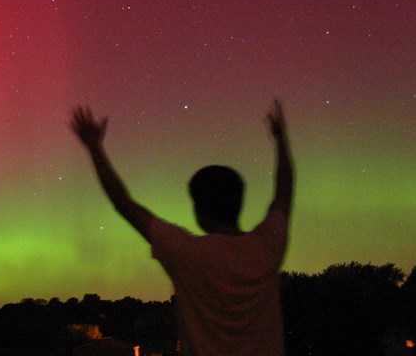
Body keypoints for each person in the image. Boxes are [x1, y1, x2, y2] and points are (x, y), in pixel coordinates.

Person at [70, 100, 294, 356]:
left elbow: (123, 203)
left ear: (198, 210)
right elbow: (284, 195)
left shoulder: (187, 254)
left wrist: (94, 147)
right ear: (239, 202)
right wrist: (281, 140)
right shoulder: (267, 246)